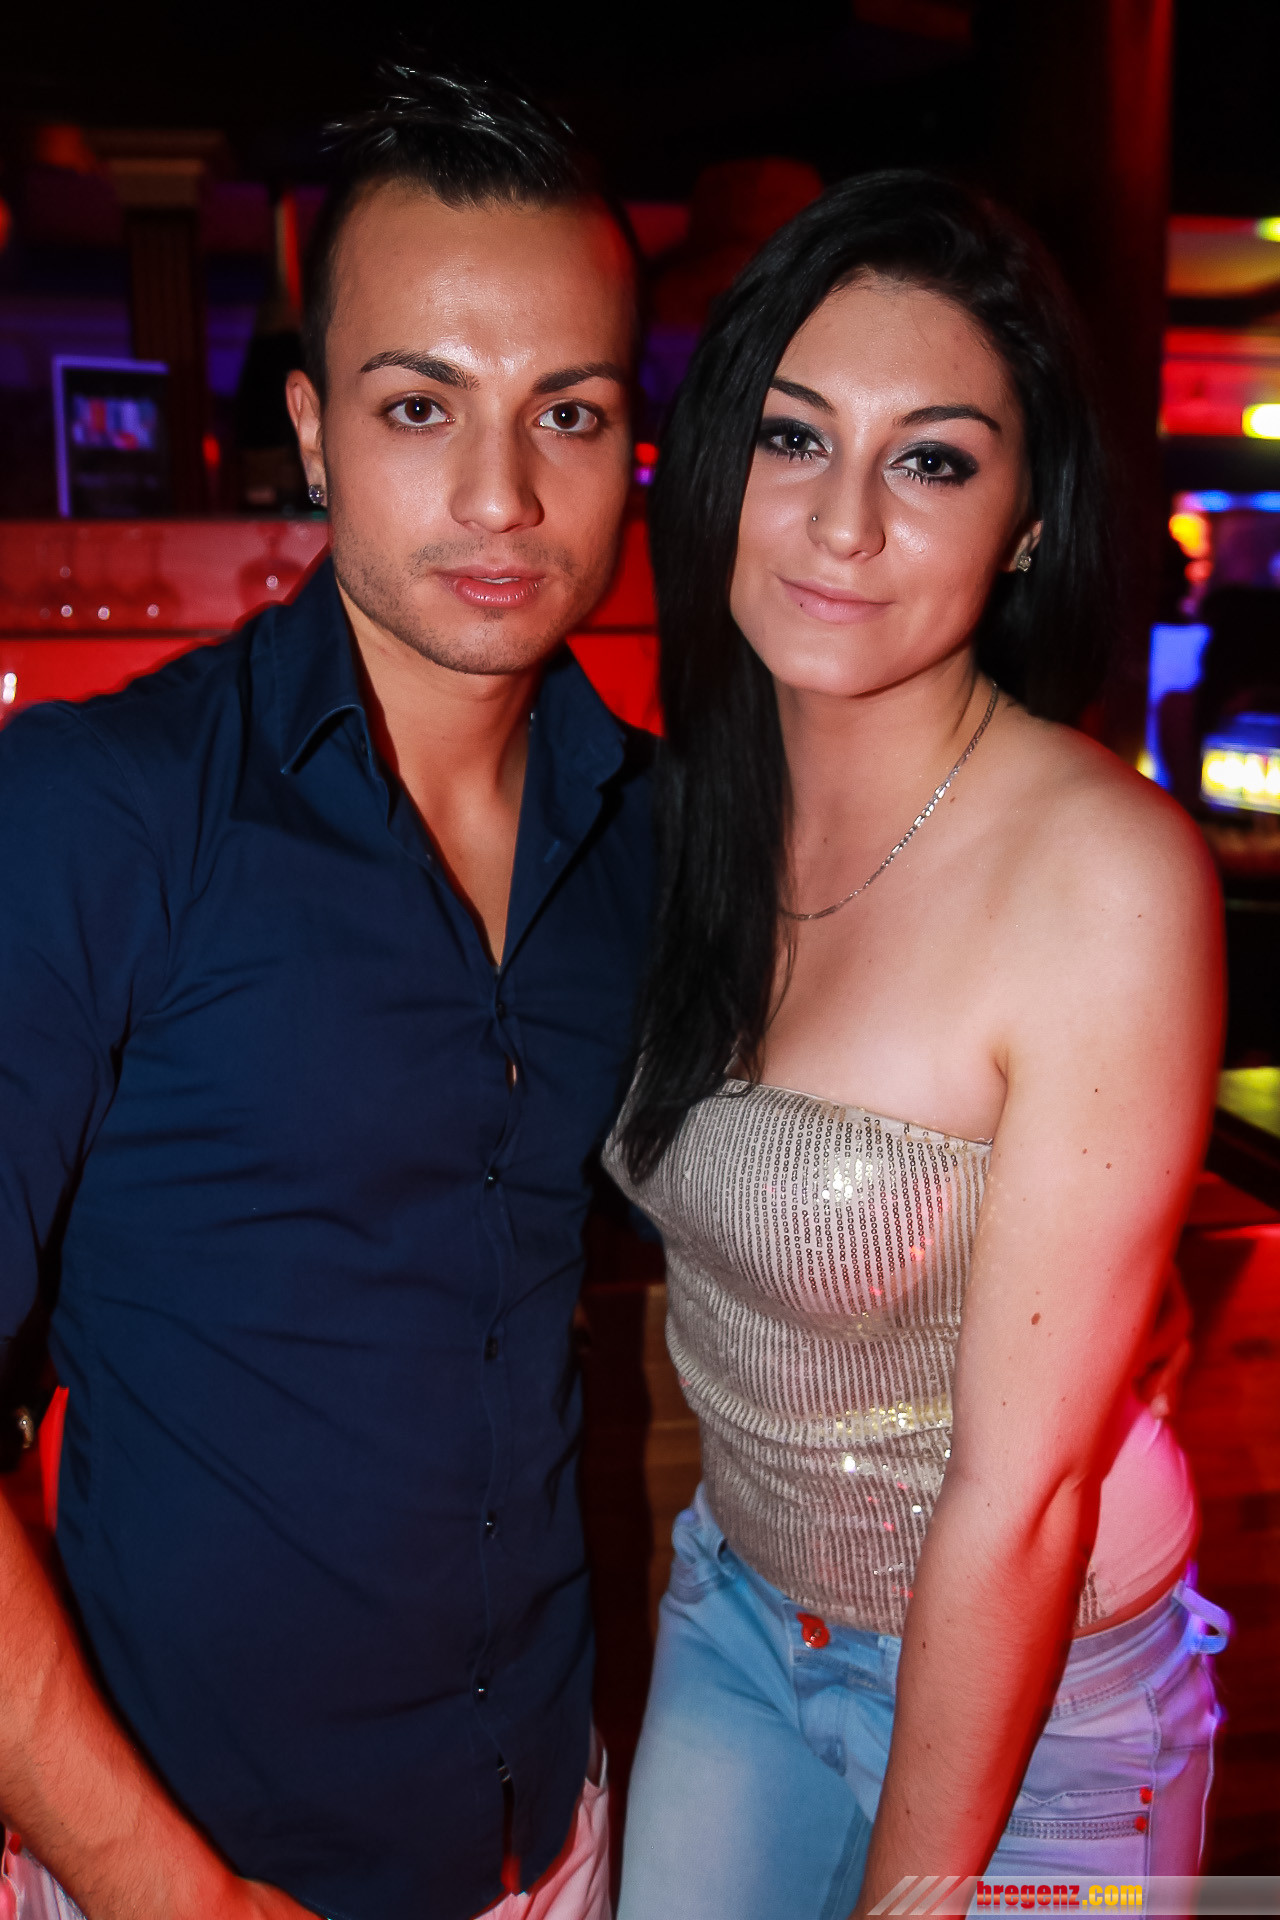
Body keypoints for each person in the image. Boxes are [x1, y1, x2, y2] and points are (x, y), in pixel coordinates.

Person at [0, 68, 647, 1920]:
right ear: (311, 429)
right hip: (196, 1867)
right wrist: (166, 1894)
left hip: (557, 1835)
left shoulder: (649, 833)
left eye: (569, 411)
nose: (502, 494)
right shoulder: (100, 814)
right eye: (420, 405)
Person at [606, 171, 1229, 1918]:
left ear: (1027, 521)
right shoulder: (689, 813)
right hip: (740, 1613)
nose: (843, 522)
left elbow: (1022, 1498)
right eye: (794, 437)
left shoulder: (1103, 876)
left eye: (933, 461)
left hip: (1048, 1691)